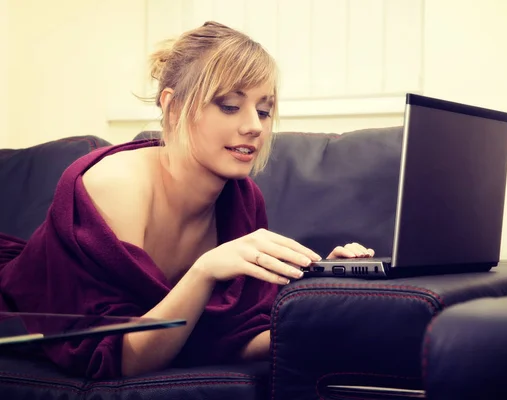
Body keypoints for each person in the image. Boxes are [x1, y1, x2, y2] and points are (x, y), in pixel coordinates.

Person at [0, 21, 374, 379]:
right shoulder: (119, 185)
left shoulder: (242, 199)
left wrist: (322, 293)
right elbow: (122, 357)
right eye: (230, 105)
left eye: (263, 110)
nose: (255, 126)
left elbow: (228, 339)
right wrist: (204, 271)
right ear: (173, 106)